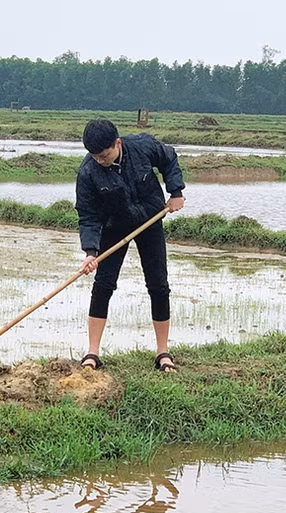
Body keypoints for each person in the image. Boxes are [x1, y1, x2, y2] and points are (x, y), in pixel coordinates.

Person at [75, 119, 185, 372]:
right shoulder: (88, 172)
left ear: (117, 143)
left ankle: (162, 352)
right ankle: (92, 353)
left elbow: (169, 159)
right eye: (95, 156)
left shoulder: (143, 147)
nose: (100, 160)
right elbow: (88, 215)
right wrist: (91, 252)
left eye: (104, 155)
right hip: (113, 227)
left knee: (158, 284)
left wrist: (176, 192)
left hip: (150, 221)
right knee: (103, 285)